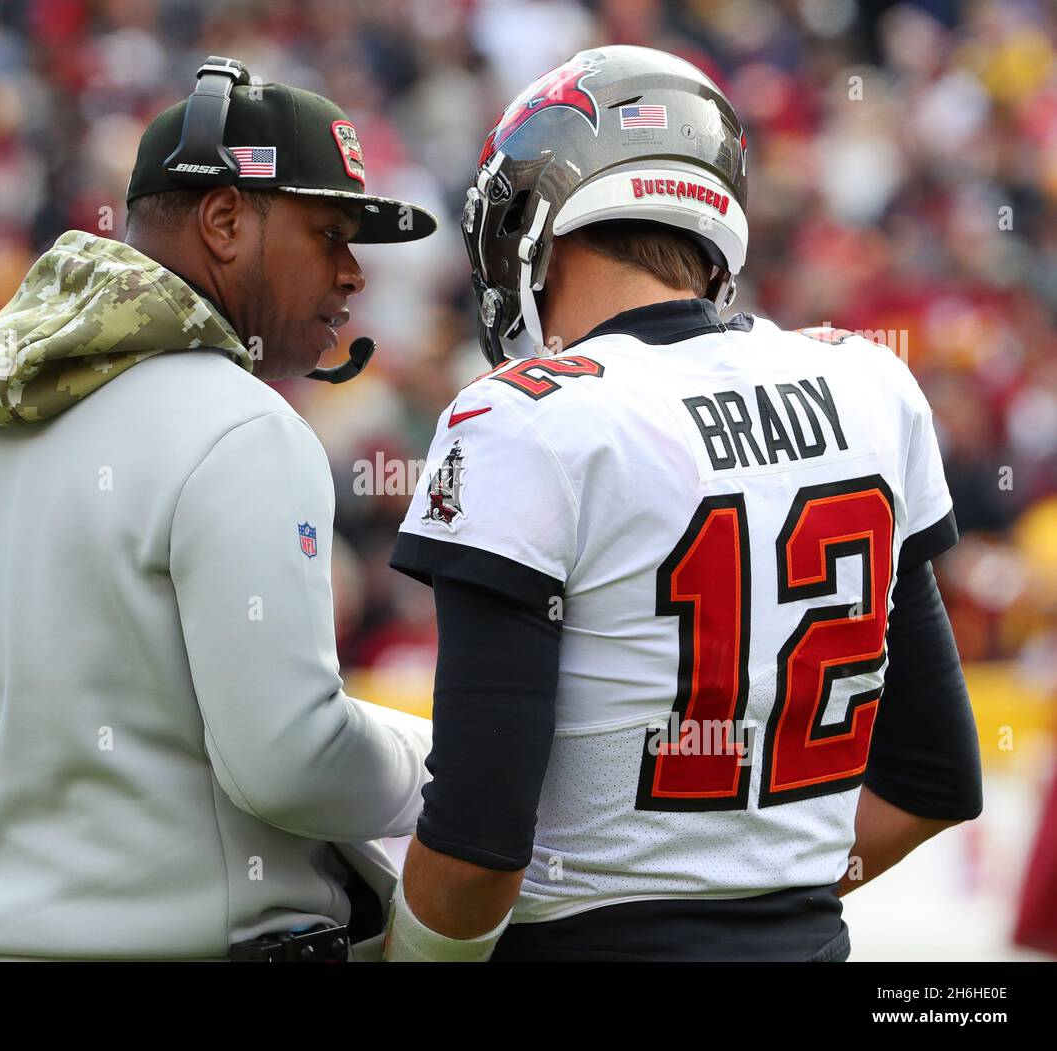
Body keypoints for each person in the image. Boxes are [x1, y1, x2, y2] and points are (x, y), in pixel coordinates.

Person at [0, 57, 438, 962]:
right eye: (331, 233)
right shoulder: (244, 429)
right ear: (225, 220)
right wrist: (447, 763)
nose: (354, 275)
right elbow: (290, 763)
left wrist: (75, 777)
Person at [383, 45, 983, 962]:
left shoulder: (523, 417)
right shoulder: (866, 380)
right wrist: (763, 893)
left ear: (536, 224)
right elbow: (934, 779)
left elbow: (475, 847)